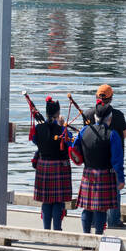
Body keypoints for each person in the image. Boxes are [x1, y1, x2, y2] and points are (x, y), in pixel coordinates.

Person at [70, 84, 124, 235]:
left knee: (87, 208)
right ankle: (98, 236)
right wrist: (120, 178)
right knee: (101, 210)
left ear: (95, 117)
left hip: (88, 173)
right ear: (109, 117)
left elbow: (74, 151)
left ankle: (86, 236)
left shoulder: (83, 131)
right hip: (105, 173)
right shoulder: (113, 135)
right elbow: (117, 160)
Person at [32, 97, 73, 230]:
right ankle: (57, 229)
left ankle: (46, 229)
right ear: (58, 113)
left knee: (46, 200)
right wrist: (62, 126)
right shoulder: (62, 129)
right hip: (59, 166)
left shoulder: (38, 128)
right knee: (58, 201)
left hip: (43, 165)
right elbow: (71, 142)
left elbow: (35, 141)